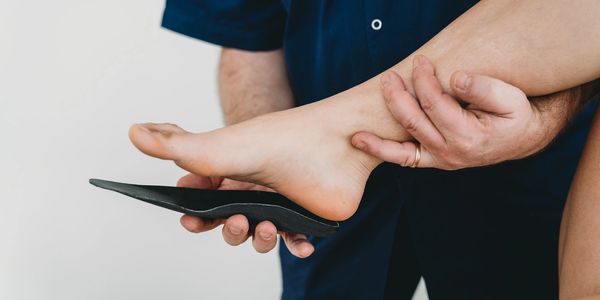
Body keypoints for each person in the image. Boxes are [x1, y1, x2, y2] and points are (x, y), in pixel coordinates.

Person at [131, 0, 600, 298]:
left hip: (524, 178)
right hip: (323, 207)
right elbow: (246, 30)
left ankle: (323, 139)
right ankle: (315, 144)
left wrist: (544, 121)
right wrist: (267, 151)